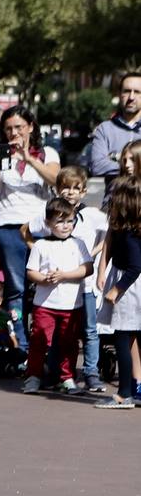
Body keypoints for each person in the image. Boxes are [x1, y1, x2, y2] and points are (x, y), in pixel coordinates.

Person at [0, 104, 61, 330]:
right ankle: (20, 344)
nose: (14, 133)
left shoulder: (47, 154)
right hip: (6, 227)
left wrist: (29, 159)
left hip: (40, 229)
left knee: (43, 284)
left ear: (31, 127)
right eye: (8, 129)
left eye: (19, 127)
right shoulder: (0, 153)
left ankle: (41, 340)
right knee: (15, 287)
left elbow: (57, 180)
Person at [35, 166, 109, 393]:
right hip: (59, 289)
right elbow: (26, 230)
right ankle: (58, 372)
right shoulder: (51, 213)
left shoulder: (92, 215)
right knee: (61, 332)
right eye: (65, 187)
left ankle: (91, 373)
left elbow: (110, 232)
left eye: (75, 188)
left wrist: (95, 255)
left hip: (85, 284)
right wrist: (39, 251)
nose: (69, 192)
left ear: (84, 192)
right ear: (57, 189)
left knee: (89, 330)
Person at [23, 198, 93, 393]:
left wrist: (65, 275)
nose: (66, 226)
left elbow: (88, 268)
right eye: (60, 221)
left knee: (69, 343)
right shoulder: (41, 245)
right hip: (44, 304)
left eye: (70, 221)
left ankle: (67, 378)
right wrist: (44, 279)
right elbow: (31, 271)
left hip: (72, 305)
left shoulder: (78, 244)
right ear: (48, 223)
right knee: (39, 340)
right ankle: (33, 375)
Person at [96, 146, 141, 408]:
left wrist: (117, 288)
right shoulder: (126, 228)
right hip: (126, 279)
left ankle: (125, 393)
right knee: (130, 335)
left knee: (122, 336)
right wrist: (103, 268)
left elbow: (136, 266)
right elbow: (110, 240)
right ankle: (133, 388)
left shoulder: (131, 233)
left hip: (128, 284)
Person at [82, 70, 141, 199]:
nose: (131, 97)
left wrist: (115, 157)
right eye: (126, 91)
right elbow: (97, 166)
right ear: (119, 94)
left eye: (137, 92)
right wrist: (136, 164)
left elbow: (105, 164)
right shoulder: (105, 129)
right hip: (113, 203)